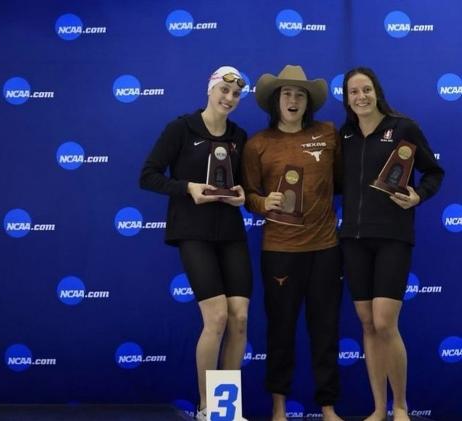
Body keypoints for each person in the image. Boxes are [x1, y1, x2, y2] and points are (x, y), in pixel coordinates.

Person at [140, 66, 252, 421]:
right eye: (224, 90)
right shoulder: (181, 128)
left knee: (239, 320)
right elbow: (149, 176)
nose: (229, 98)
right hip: (192, 231)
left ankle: (226, 409)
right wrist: (187, 188)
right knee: (217, 317)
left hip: (231, 232)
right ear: (210, 89)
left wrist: (241, 195)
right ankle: (208, 409)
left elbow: (244, 186)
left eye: (235, 95)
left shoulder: (239, 135)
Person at [339, 67, 443, 421]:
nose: (361, 97)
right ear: (347, 99)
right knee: (367, 324)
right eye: (353, 92)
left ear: (376, 91)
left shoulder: (403, 129)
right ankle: (378, 408)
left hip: (393, 238)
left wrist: (418, 196)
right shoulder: (345, 136)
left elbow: (434, 172)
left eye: (366, 89)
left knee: (385, 323)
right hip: (352, 239)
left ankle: (400, 406)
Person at [241, 65, 343, 421]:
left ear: (308, 101)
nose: (293, 100)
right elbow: (249, 194)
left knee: (326, 330)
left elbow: (342, 181)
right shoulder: (258, 143)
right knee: (281, 332)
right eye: (286, 94)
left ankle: (328, 407)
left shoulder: (328, 133)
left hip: (326, 249)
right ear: (275, 100)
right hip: (280, 251)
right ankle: (278, 408)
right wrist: (261, 202)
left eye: (300, 95)